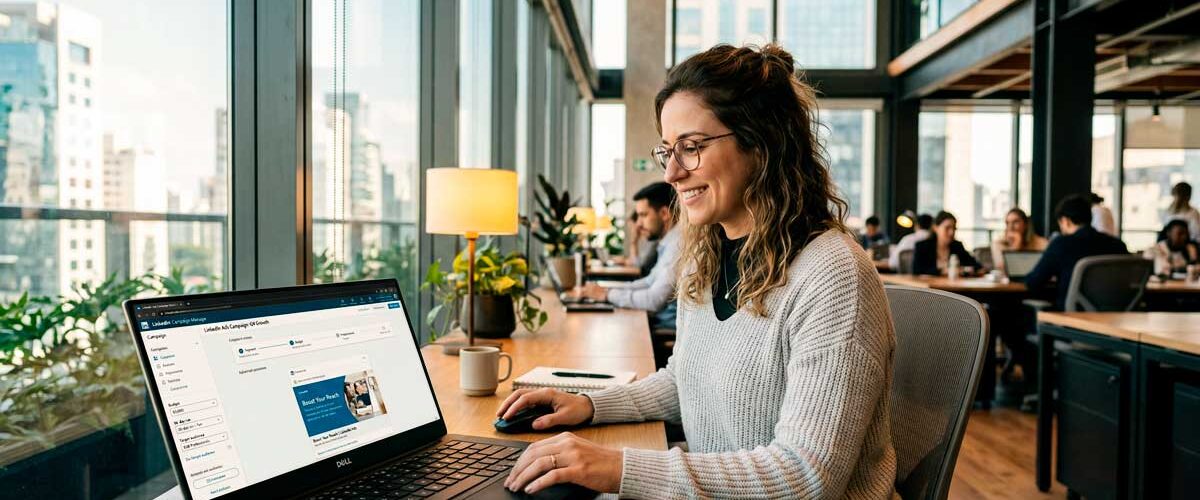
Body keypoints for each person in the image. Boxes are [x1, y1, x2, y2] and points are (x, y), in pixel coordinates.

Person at [496, 44, 897, 499]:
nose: (671, 172)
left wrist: (618, 468)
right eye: (668, 150)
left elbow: (805, 477)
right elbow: (683, 380)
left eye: (690, 148)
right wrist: (590, 406)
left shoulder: (833, 275)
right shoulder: (710, 256)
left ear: (762, 142)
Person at [578, 182, 680, 330]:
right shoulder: (669, 242)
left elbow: (654, 300)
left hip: (662, 330)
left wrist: (607, 295)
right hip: (656, 322)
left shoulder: (678, 246)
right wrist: (606, 291)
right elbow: (648, 282)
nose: (638, 224)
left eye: (643, 215)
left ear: (664, 214)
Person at [1025, 194, 1129, 309]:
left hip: (1073, 319)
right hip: (1114, 319)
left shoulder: (1061, 244)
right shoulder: (1118, 245)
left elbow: (1033, 282)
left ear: (1065, 221)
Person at [913, 211, 981, 276]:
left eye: (954, 228)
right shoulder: (922, 246)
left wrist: (964, 270)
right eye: (947, 228)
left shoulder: (957, 246)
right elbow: (916, 271)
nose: (951, 232)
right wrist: (942, 271)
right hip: (929, 286)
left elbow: (978, 267)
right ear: (935, 228)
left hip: (954, 286)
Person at [991, 208, 1048, 272]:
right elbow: (1002, 268)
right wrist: (1015, 247)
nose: (1010, 227)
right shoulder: (998, 243)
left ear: (1025, 224)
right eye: (1007, 223)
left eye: (1015, 222)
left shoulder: (1042, 242)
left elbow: (1046, 266)